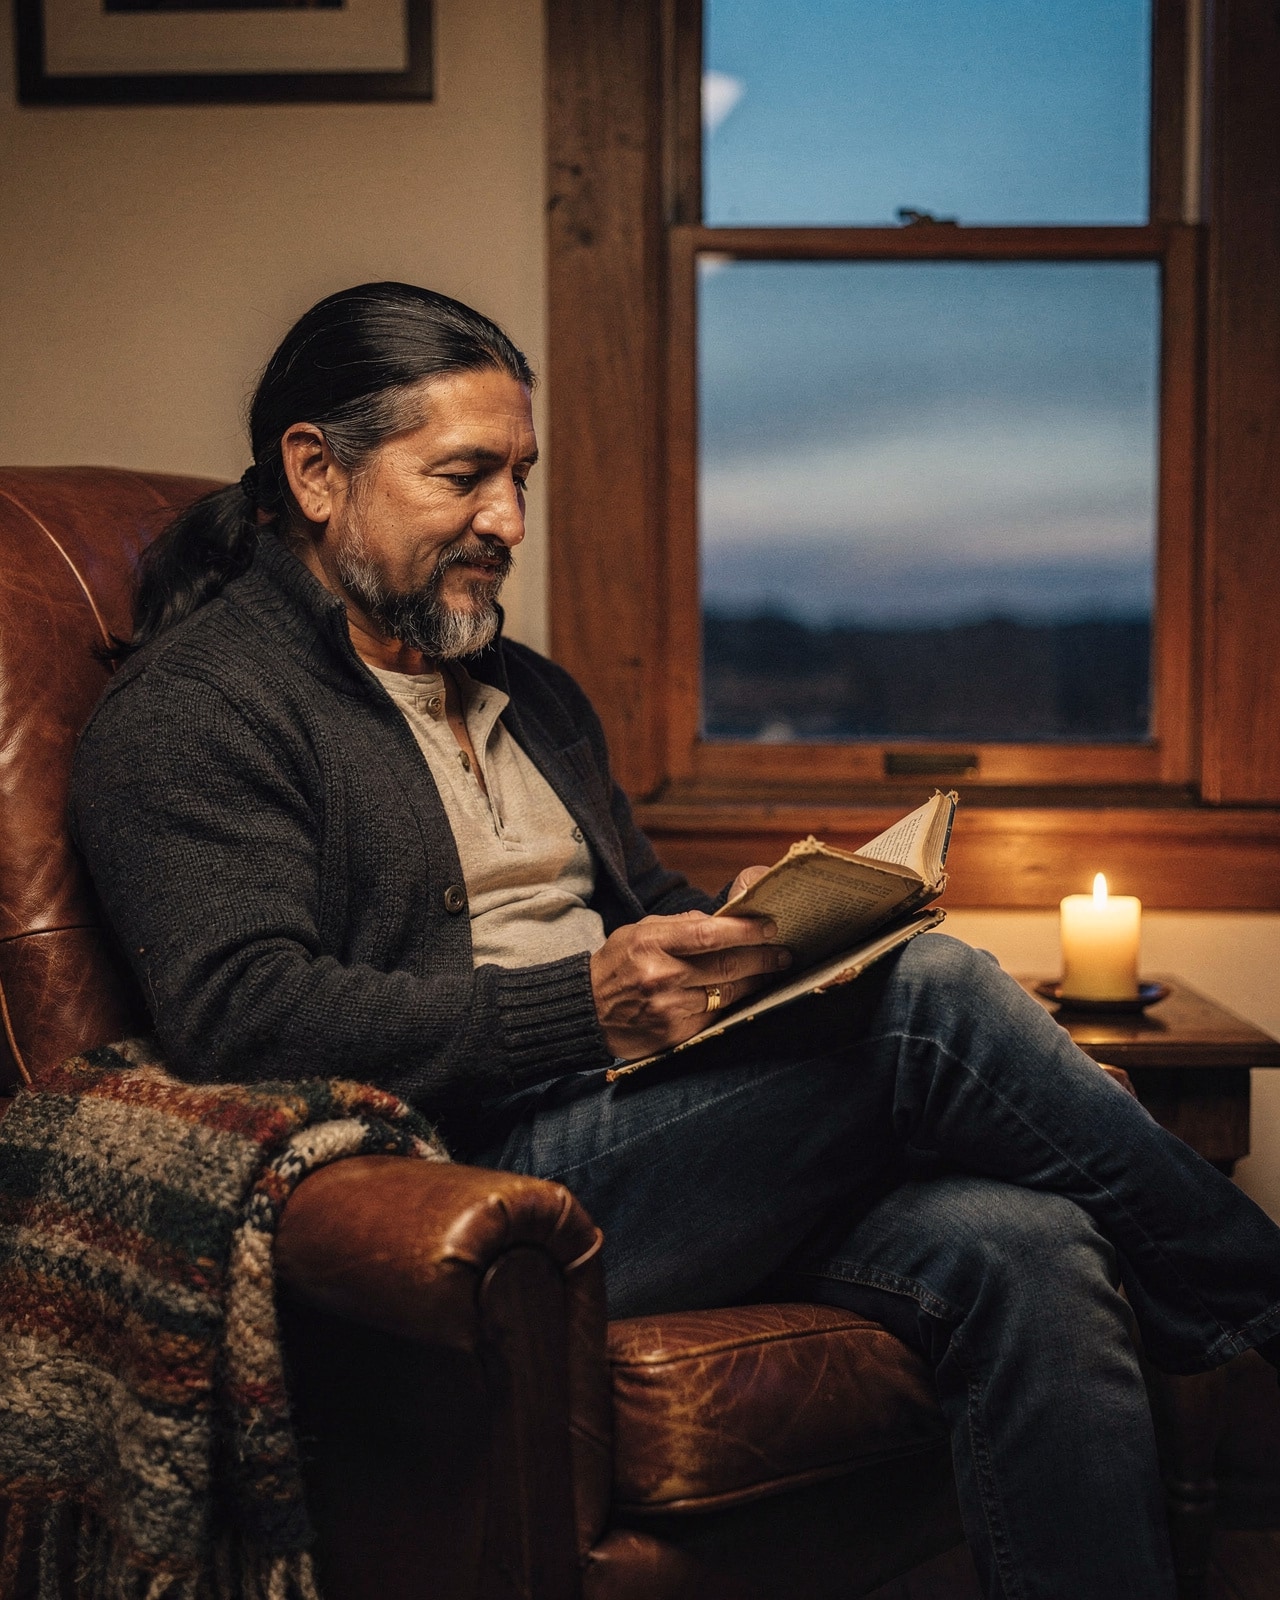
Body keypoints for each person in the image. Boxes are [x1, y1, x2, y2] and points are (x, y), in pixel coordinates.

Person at [71, 282, 1280, 1600]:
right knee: (929, 996)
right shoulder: (197, 714)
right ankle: (1256, 1305)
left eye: (521, 477)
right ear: (317, 471)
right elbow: (240, 1019)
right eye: (465, 476)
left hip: (657, 1136)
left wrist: (743, 927)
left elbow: (629, 907)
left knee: (1029, 1240)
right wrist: (583, 1010)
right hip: (467, 1184)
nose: (509, 523)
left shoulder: (530, 697)